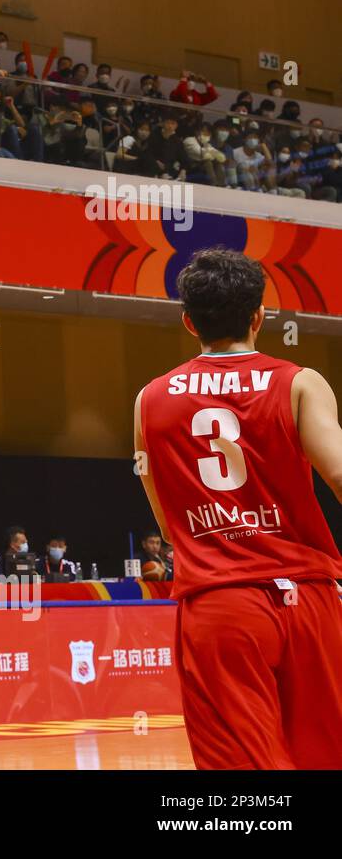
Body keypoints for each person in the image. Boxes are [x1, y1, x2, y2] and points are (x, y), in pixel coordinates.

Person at [135, 248, 342, 769]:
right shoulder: (299, 382)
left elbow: (165, 516)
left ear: (188, 321)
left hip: (221, 603)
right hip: (310, 598)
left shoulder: (150, 398)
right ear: (259, 316)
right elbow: (338, 473)